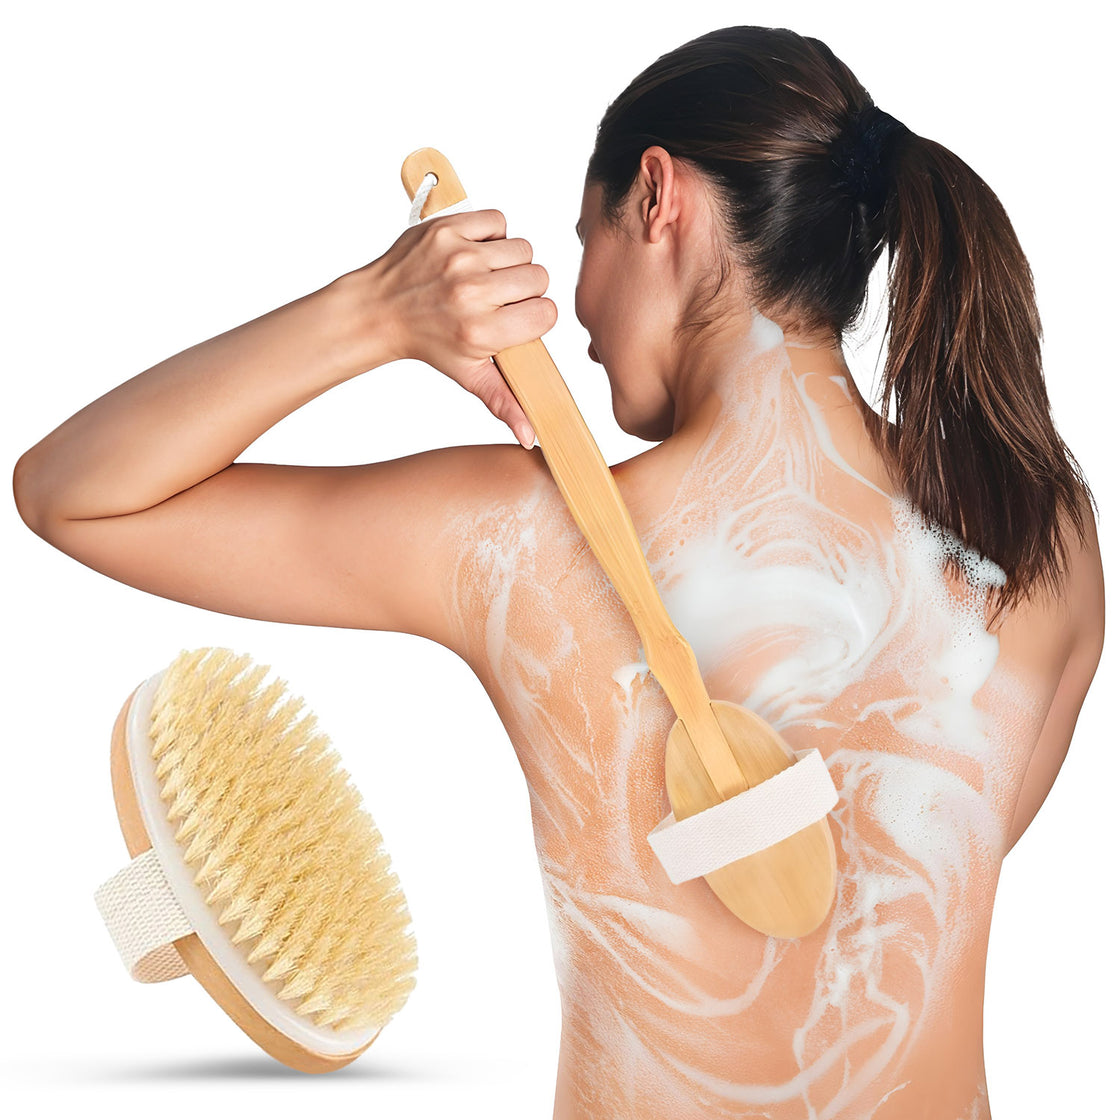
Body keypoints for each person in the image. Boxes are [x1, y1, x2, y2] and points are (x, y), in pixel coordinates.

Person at [11, 23, 1104, 1120]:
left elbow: (76, 492)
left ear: (656, 199)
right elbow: (911, 889)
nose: (578, 311)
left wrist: (376, 310)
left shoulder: (516, 541)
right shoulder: (1036, 537)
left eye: (588, 237)